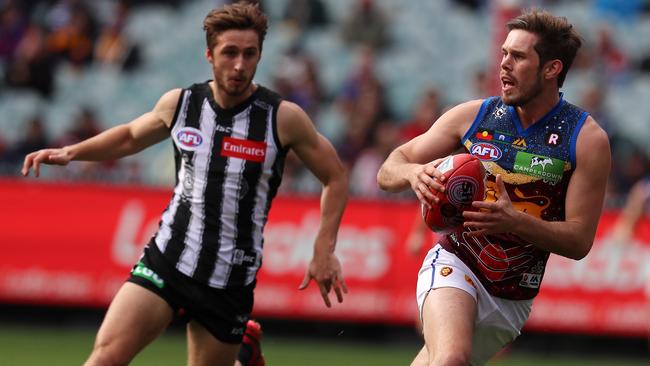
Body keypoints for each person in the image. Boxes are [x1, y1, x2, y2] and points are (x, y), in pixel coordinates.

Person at [22, 3, 348, 366]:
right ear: (209, 54)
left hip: (228, 278)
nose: (240, 65)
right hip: (169, 258)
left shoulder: (282, 117)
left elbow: (335, 176)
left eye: (250, 54)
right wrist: (72, 152)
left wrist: (323, 247)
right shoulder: (182, 104)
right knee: (104, 358)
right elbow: (131, 135)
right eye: (230, 53)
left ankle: (243, 354)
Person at [377, 9, 610, 366]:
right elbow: (390, 167)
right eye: (504, 53)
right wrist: (412, 174)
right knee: (451, 359)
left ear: (551, 69)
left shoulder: (586, 139)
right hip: (456, 262)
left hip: (512, 300)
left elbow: (579, 242)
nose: (503, 64)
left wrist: (514, 221)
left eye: (518, 57)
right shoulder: (474, 116)